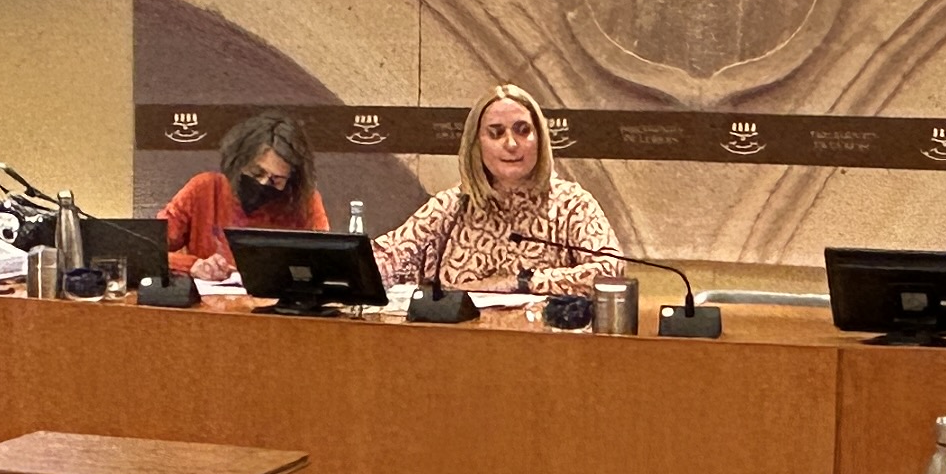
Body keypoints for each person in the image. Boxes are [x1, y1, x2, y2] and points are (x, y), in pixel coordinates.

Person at [371, 86, 621, 297]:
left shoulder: (572, 205)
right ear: (477, 144)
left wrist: (520, 282)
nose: (511, 144)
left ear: (540, 139)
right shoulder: (452, 207)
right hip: (459, 339)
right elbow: (386, 259)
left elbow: (610, 272)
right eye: (496, 133)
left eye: (523, 130)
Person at [162, 111, 330, 282]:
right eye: (256, 172)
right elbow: (150, 249)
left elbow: (323, 264)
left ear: (292, 178)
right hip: (210, 298)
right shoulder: (205, 189)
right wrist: (192, 266)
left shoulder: (304, 202)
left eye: (276, 179)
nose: (263, 183)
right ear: (239, 161)